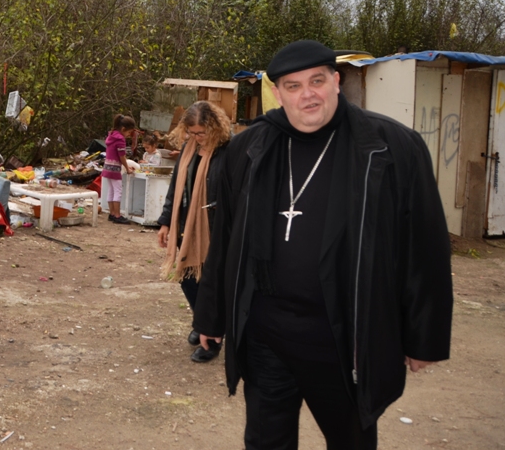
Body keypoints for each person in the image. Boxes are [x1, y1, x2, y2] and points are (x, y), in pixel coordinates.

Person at [193, 40, 453, 450]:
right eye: (293, 86)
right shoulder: (249, 148)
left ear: (336, 82)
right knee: (265, 441)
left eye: (317, 81)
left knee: (350, 440)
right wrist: (210, 314)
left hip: (343, 338)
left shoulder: (391, 147)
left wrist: (424, 338)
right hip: (266, 336)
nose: (307, 94)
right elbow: (225, 238)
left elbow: (425, 246)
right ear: (277, 94)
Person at [155, 101, 231, 363]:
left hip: (216, 227)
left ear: (215, 128)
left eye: (202, 133)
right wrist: (166, 221)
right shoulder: (189, 149)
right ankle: (204, 323)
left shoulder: (229, 151)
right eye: (192, 133)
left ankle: (211, 337)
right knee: (187, 277)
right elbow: (175, 186)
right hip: (187, 224)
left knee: (212, 283)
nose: (197, 138)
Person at [103, 114, 136, 223]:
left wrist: (126, 165)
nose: (128, 135)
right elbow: (122, 156)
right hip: (115, 168)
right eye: (129, 132)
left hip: (107, 166)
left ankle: (111, 213)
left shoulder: (111, 135)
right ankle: (117, 215)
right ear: (123, 129)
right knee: (118, 191)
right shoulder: (120, 139)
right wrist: (127, 168)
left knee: (111, 190)